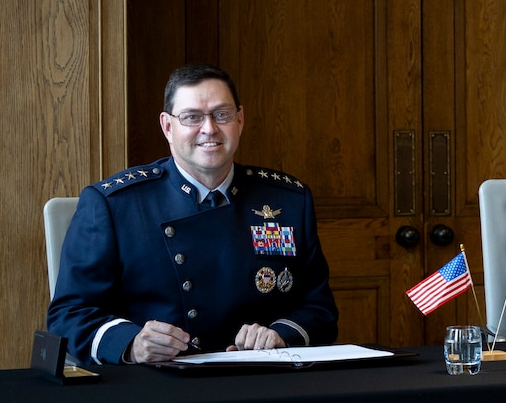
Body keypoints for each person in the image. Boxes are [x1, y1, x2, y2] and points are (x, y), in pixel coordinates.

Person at [47, 64, 338, 364]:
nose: (209, 128)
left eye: (221, 115)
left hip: (260, 378)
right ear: (168, 127)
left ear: (240, 120)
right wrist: (131, 344)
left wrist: (280, 335)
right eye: (192, 117)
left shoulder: (288, 200)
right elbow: (69, 314)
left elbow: (320, 309)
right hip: (159, 385)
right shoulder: (113, 204)